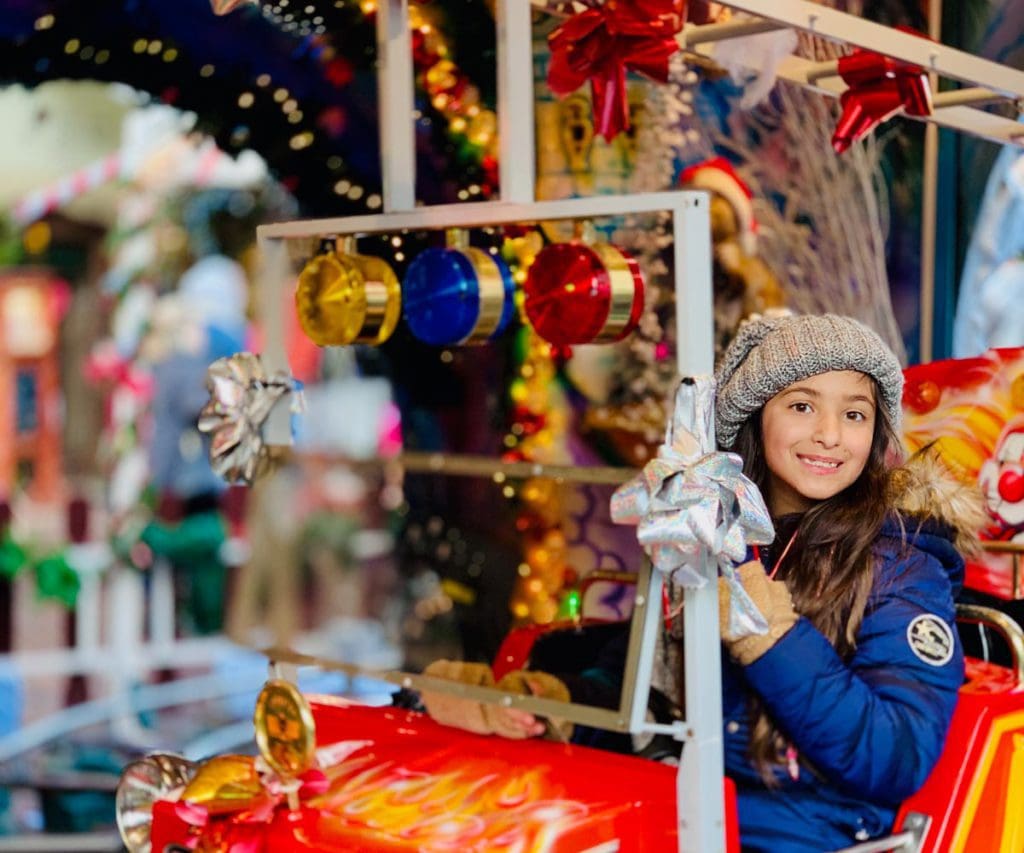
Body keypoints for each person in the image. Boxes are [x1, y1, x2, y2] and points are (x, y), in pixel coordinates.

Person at [422, 313, 985, 852]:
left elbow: (896, 753)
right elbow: (649, 699)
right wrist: (551, 704)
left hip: (806, 836)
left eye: (855, 415)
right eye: (802, 405)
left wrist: (771, 638)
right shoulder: (707, 528)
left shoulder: (902, 560)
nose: (830, 435)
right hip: (678, 816)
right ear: (756, 416)